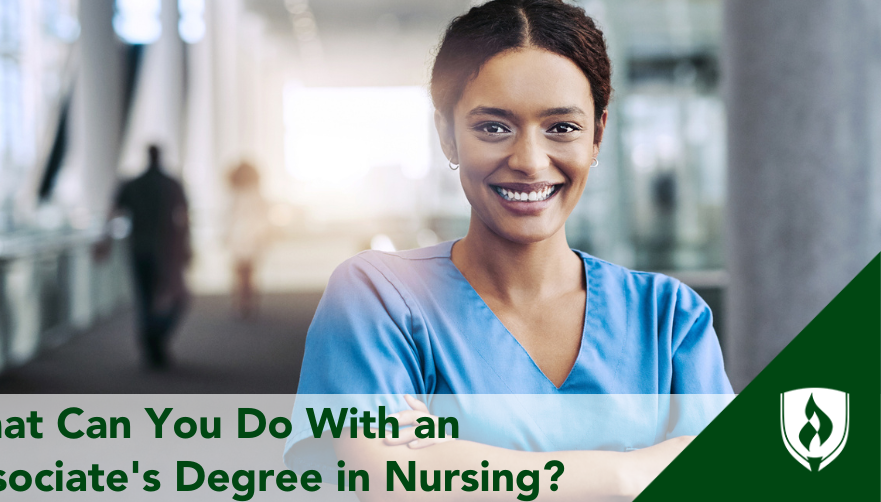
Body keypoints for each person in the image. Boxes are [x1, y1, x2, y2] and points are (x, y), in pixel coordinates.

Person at [285, 0, 732, 499]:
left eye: (562, 127)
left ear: (598, 136)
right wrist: (630, 473)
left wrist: (454, 465)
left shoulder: (667, 316)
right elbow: (385, 477)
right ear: (447, 137)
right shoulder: (378, 298)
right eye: (493, 127)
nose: (530, 161)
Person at [112, 145, 191, 369]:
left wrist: (105, 241)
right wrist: (186, 246)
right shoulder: (171, 183)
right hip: (165, 251)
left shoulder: (132, 184)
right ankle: (155, 339)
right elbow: (184, 217)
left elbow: (113, 211)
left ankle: (150, 342)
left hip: (139, 248)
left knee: (145, 299)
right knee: (177, 297)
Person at [225, 160, 269, 320]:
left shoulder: (238, 195)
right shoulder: (251, 195)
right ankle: (245, 302)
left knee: (243, 273)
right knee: (246, 273)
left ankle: (244, 302)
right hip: (246, 239)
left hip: (245, 239)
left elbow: (231, 217)